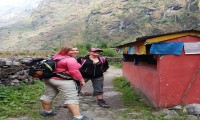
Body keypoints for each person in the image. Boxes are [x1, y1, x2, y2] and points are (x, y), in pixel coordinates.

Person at [40, 46, 90, 120]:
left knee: (48, 95)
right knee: (72, 98)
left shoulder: (56, 56)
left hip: (50, 79)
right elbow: (74, 72)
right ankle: (78, 117)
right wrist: (81, 80)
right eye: (72, 50)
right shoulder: (70, 59)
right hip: (63, 81)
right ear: (65, 51)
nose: (75, 52)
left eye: (76, 50)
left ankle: (47, 112)